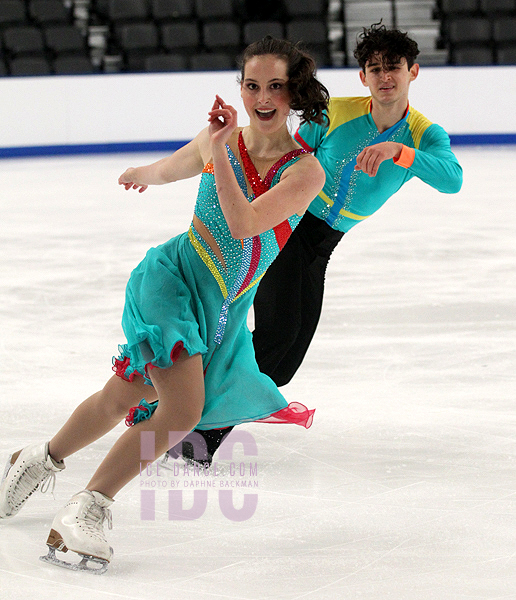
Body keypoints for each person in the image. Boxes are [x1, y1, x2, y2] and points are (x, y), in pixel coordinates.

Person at [0, 37, 328, 573]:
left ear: (294, 92)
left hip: (221, 310)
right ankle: (87, 509)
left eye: (275, 86)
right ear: (240, 89)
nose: (262, 97)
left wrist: (217, 150)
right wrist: (142, 174)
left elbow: (246, 224)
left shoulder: (304, 172)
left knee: (120, 395)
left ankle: (37, 460)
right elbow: (176, 166)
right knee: (182, 410)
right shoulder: (220, 141)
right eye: (251, 85)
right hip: (174, 280)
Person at [180, 23, 464, 464]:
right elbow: (287, 159)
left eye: (394, 67)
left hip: (321, 247)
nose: (384, 76)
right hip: (288, 230)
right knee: (277, 339)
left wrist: (400, 153)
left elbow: (453, 179)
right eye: (375, 68)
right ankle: (193, 434)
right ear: (362, 77)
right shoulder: (336, 113)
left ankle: (190, 409)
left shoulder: (425, 136)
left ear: (414, 72)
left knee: (285, 358)